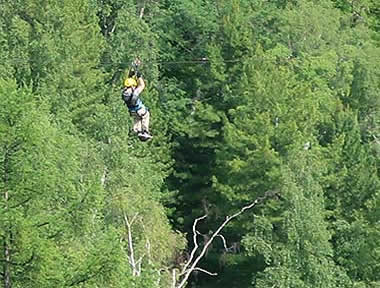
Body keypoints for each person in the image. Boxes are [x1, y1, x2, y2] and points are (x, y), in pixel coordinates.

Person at [122, 68, 152, 141]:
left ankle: (137, 130)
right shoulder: (135, 91)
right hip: (139, 109)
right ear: (133, 86)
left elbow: (129, 81)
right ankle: (145, 131)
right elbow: (142, 85)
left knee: (137, 118)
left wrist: (130, 75)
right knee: (146, 115)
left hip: (132, 111)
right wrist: (139, 76)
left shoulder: (124, 92)